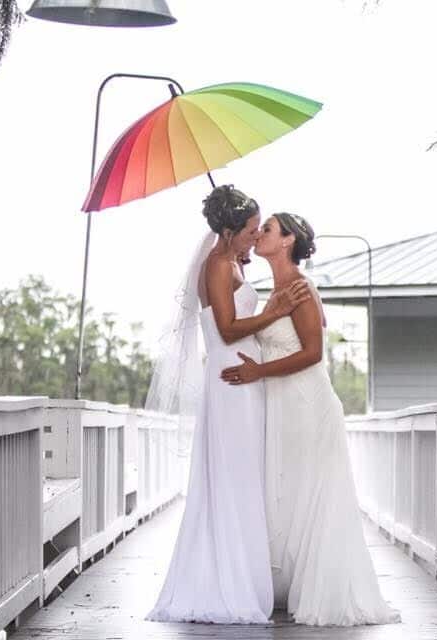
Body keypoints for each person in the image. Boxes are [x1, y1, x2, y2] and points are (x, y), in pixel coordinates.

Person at [221, 213, 400, 626]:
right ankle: (289, 584)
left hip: (306, 403)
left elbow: (312, 352)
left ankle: (322, 588)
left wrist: (258, 372)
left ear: (287, 241)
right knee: (288, 492)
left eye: (267, 229)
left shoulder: (301, 287)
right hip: (283, 405)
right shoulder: (277, 290)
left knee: (309, 491)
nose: (260, 233)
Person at [146, 187, 308, 624]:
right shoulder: (217, 265)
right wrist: (275, 309)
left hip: (243, 381)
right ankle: (227, 582)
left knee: (243, 477)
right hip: (230, 380)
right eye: (251, 231)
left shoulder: (233, 262)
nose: (255, 238)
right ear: (227, 230)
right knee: (233, 476)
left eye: (259, 230)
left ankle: (241, 575)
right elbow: (228, 328)